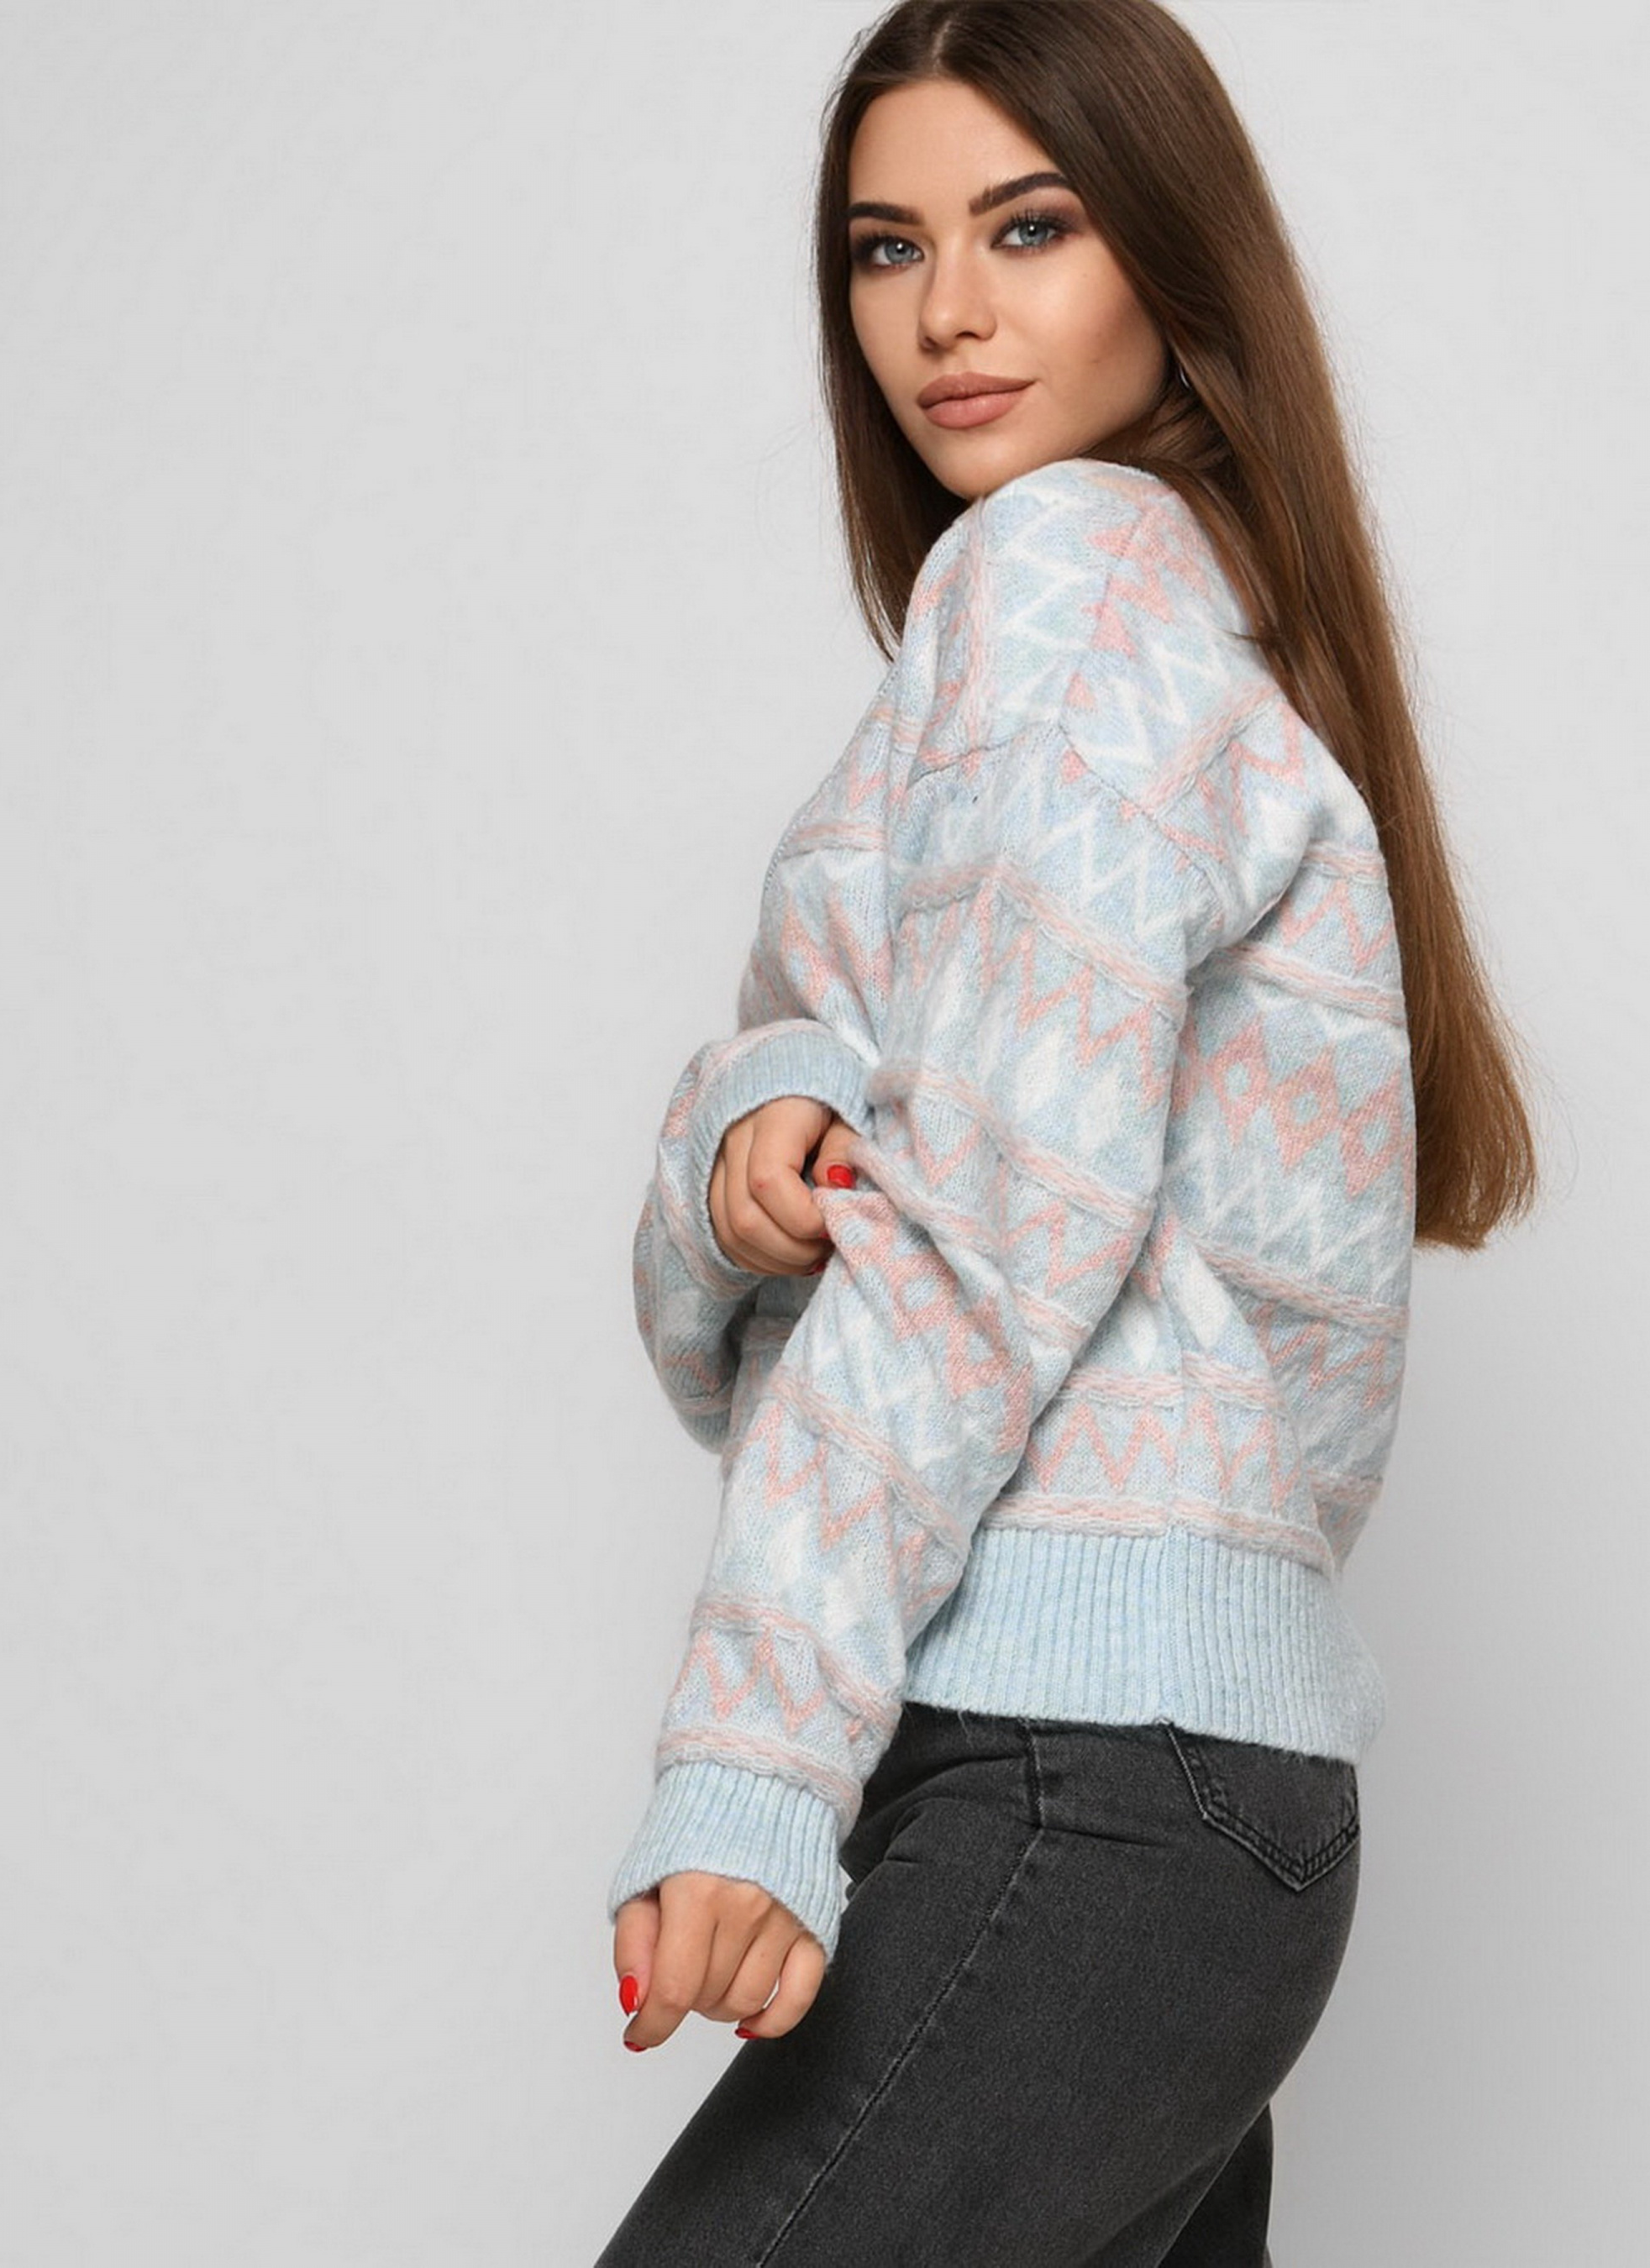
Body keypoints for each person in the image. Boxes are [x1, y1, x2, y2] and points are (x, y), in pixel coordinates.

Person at [596, 3, 1542, 2262]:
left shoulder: (1073, 578)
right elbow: (914, 1189)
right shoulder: (1183, 616)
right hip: (1179, 1803)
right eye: (885, 246)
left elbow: (986, 1230)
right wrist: (764, 1119)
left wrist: (754, 1751)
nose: (946, 311)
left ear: (1171, 254)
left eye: (1029, 227)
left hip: (1076, 1773)